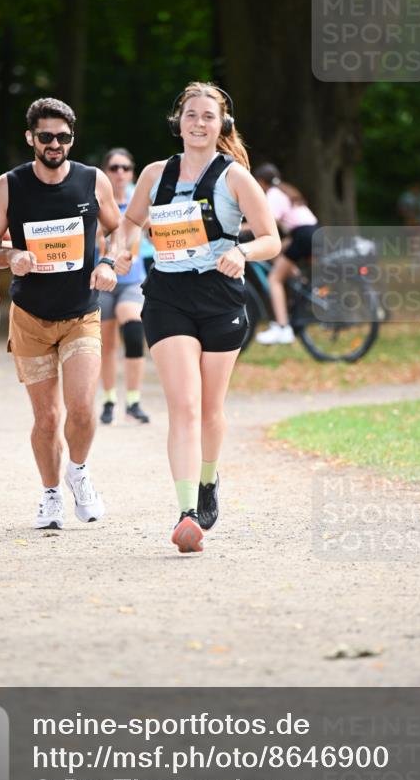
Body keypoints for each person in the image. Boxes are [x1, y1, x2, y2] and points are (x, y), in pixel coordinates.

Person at [114, 82, 279, 554]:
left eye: (209, 116)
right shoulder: (153, 173)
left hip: (220, 296)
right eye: (191, 114)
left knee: (210, 407)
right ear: (178, 120)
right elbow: (129, 223)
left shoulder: (235, 177)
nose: (199, 123)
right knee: (183, 405)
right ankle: (187, 510)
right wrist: (121, 252)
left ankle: (209, 481)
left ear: (221, 123)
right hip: (167, 296)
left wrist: (242, 252)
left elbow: (271, 238)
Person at [0, 97, 121, 530]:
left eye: (62, 137)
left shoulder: (93, 181)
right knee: (47, 417)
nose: (54, 143)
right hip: (31, 318)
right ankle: (51, 495)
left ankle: (77, 471)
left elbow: (117, 231)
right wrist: (11, 256)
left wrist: (108, 263)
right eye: (46, 136)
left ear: (72, 139)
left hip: (81, 312)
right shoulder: (9, 185)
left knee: (80, 408)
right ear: (31, 138)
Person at [97, 148, 149, 425]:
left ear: (133, 172)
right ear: (106, 172)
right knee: (107, 343)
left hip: (132, 281)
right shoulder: (96, 202)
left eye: (126, 168)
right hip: (104, 280)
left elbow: (158, 230)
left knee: (133, 329)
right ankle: (108, 400)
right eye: (115, 167)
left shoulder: (139, 203)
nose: (120, 173)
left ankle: (133, 400)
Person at [255, 170, 319, 346]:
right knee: (277, 252)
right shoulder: (287, 190)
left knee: (274, 279)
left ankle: (282, 328)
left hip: (301, 234)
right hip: (310, 232)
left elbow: (269, 221)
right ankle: (299, 281)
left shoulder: (273, 194)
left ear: (261, 182)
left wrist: (242, 229)